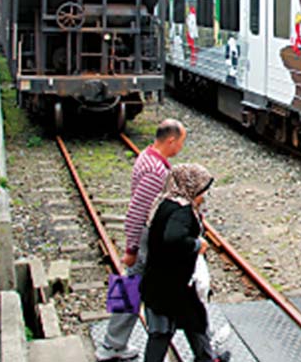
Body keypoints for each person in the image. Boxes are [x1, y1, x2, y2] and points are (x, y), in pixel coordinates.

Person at [96, 120, 186, 362]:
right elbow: (136, 212)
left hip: (145, 239)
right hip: (147, 242)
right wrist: (131, 248)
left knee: (129, 286)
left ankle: (112, 342)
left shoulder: (147, 157)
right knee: (132, 288)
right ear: (171, 141)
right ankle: (112, 345)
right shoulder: (156, 172)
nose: (181, 147)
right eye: (181, 142)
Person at [140, 163, 231, 362]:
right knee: (164, 332)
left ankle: (206, 358)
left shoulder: (163, 202)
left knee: (193, 322)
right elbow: (173, 238)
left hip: (161, 281)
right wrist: (197, 244)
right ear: (192, 188)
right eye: (203, 191)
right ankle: (206, 358)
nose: (204, 196)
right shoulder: (182, 212)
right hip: (174, 284)